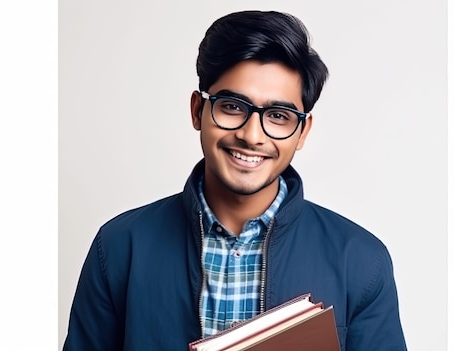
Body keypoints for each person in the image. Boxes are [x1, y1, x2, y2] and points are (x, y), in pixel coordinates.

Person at [63, 10, 406, 351]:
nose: (252, 135)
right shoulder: (120, 246)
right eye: (232, 106)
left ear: (302, 132)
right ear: (198, 110)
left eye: (278, 116)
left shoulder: (361, 261)